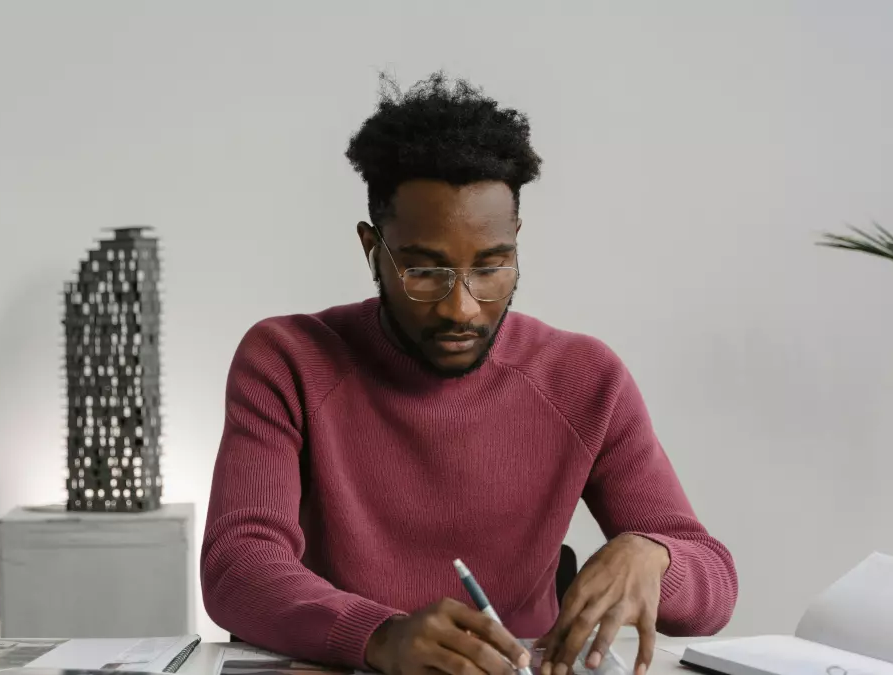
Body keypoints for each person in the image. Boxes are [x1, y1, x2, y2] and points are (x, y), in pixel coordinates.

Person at [202, 72, 738, 675]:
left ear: (515, 243)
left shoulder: (585, 379)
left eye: (491, 266)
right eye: (424, 271)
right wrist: (381, 636)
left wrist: (654, 555)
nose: (462, 307)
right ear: (371, 247)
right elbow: (239, 567)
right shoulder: (288, 359)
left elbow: (714, 582)